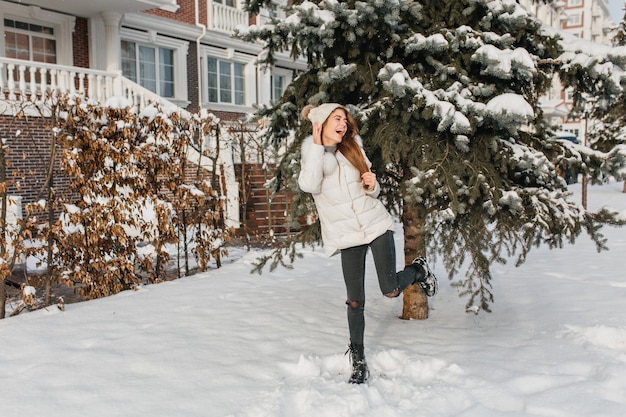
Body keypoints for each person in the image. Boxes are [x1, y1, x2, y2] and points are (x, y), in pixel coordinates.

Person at [297, 103, 438, 384]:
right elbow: (309, 185)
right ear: (321, 123)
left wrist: (372, 184)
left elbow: (372, 190)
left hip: (375, 225)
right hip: (347, 235)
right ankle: (358, 361)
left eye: (345, 120)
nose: (343, 124)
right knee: (354, 300)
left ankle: (418, 271)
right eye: (336, 119)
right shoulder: (313, 157)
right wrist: (315, 144)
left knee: (390, 290)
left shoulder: (353, 148)